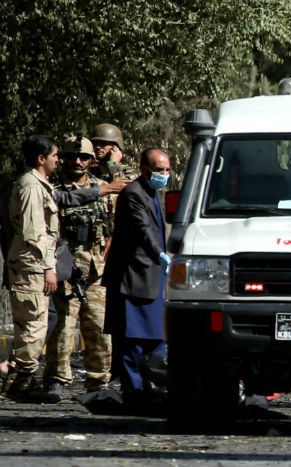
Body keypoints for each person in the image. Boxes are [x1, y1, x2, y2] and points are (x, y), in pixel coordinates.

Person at [42, 136, 114, 400]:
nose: (77, 162)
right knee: (63, 325)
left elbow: (113, 225)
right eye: (72, 157)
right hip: (65, 266)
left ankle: (99, 381)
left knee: (98, 326)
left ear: (91, 160)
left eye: (83, 157)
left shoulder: (104, 187)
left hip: (96, 269)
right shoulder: (52, 188)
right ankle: (57, 379)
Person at [102, 148, 172, 408]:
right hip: (133, 277)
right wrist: (160, 255)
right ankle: (135, 392)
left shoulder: (154, 193)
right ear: (144, 169)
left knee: (155, 337)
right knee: (132, 339)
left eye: (166, 169)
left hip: (153, 278)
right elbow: (143, 229)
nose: (164, 175)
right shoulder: (134, 194)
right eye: (159, 169)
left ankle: (153, 390)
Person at [3, 135, 62, 403]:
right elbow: (33, 232)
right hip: (31, 265)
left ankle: (23, 379)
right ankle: (22, 383)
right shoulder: (30, 187)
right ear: (41, 158)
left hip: (32, 264)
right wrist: (49, 267)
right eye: (55, 155)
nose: (57, 160)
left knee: (35, 322)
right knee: (32, 325)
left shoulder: (39, 185)